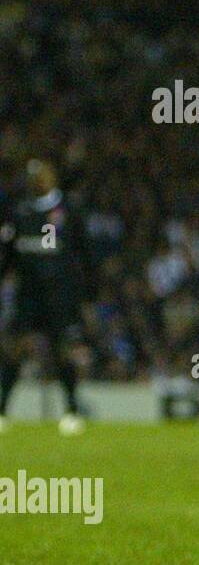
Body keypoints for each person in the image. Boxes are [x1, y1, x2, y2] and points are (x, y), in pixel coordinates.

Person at [0, 159, 90, 435]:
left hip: (59, 295)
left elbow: (83, 255)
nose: (37, 180)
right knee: (15, 349)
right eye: (33, 176)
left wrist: (83, 293)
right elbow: (8, 257)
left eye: (42, 175)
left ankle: (72, 411)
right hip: (28, 294)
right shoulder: (19, 212)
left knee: (63, 351)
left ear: (52, 176)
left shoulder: (69, 210)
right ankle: (2, 411)